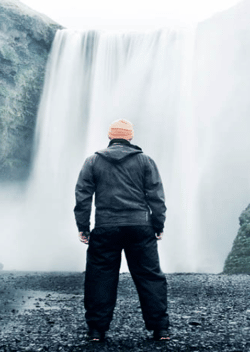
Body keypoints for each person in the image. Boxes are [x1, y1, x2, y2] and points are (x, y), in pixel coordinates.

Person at [74, 118, 170, 342]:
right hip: (140, 226)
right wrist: (158, 224)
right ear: (130, 137)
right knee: (149, 277)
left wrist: (83, 227)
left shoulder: (93, 161)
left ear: (110, 137)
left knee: (100, 277)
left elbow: (83, 196)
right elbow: (156, 196)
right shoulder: (146, 161)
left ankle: (97, 331)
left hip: (106, 227)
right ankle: (160, 329)